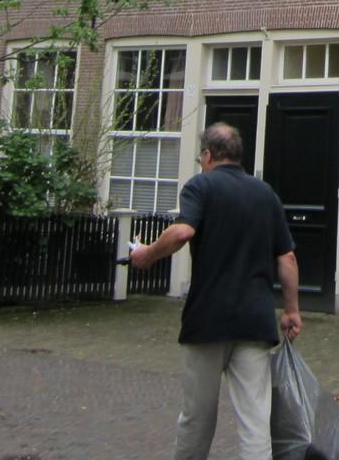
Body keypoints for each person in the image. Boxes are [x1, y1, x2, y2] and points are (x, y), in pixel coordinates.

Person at [129, 121, 301, 460]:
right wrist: (292, 310)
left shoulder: (201, 186)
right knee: (255, 419)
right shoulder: (265, 194)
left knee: (198, 417)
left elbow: (182, 232)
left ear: (208, 155)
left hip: (207, 319)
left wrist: (147, 254)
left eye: (200, 157)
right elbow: (288, 257)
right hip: (254, 321)